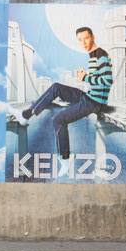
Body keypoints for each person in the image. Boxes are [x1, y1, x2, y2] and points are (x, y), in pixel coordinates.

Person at [18, 26, 113, 160]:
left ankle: (65, 158)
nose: (83, 43)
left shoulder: (100, 55)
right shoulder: (93, 55)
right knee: (56, 87)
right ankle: (27, 114)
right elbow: (99, 81)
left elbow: (107, 81)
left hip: (94, 103)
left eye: (86, 38)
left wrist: (85, 78)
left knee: (58, 119)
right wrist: (84, 76)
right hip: (90, 97)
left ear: (93, 37)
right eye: (79, 40)